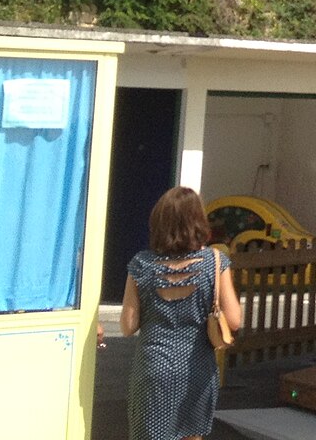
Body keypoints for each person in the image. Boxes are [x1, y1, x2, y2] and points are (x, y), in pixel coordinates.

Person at [122, 186, 242, 440]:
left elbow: (128, 325)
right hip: (196, 370)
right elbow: (233, 319)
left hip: (153, 370)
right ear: (198, 222)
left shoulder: (141, 265)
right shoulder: (215, 261)